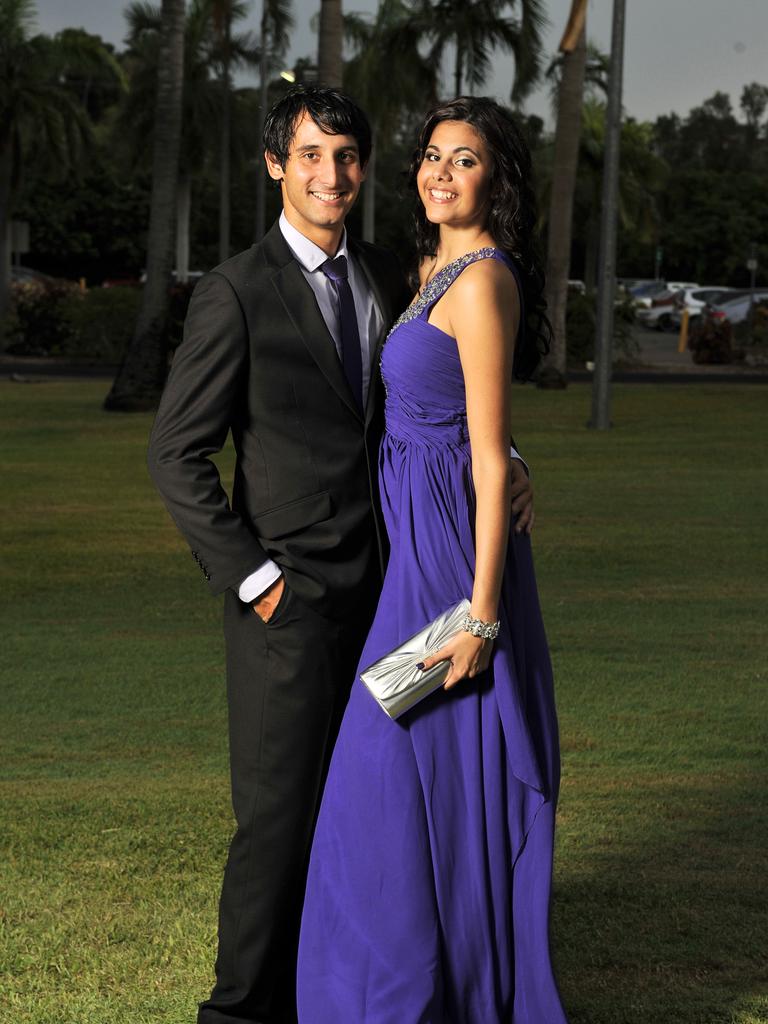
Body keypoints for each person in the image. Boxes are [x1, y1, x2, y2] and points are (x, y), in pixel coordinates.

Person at [147, 86, 534, 1024]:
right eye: (311, 155)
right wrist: (256, 579)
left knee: (367, 803)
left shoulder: (386, 278)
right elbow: (176, 454)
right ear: (278, 165)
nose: (332, 174)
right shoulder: (235, 290)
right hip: (289, 608)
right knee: (279, 824)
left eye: (348, 156)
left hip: (395, 595)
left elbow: (428, 410)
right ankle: (237, 1012)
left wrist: (510, 461)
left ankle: (346, 991)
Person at [297, 96, 567, 1023]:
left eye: (465, 160)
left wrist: (482, 616)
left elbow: (489, 454)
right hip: (410, 549)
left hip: (451, 569)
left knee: (380, 753)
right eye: (431, 157)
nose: (441, 173)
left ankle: (404, 992)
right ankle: (414, 980)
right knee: (415, 776)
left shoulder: (485, 281)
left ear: (497, 178)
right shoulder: (427, 271)